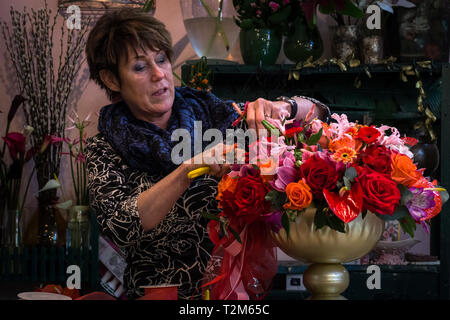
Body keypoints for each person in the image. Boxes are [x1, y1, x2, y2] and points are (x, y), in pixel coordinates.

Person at [85, 8, 330, 300]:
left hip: (237, 294)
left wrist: (283, 106)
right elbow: (122, 226)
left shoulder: (215, 115)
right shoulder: (105, 147)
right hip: (159, 295)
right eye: (140, 67)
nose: (159, 74)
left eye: (161, 59)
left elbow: (322, 114)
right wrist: (189, 168)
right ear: (112, 80)